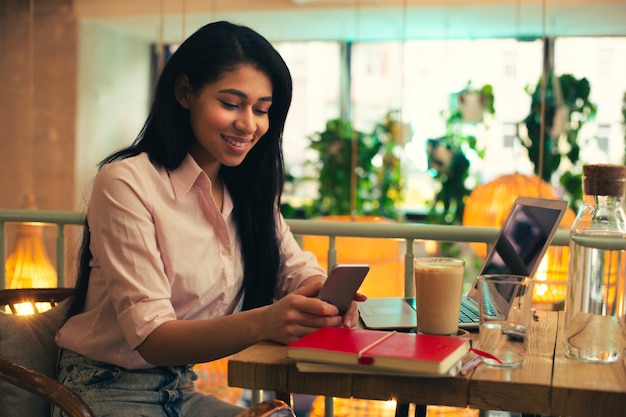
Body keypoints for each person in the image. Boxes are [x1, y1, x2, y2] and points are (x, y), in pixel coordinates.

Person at [53, 21, 365, 417]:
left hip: (180, 389)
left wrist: (321, 296)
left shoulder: (248, 192)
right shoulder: (125, 183)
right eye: (231, 104)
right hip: (103, 390)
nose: (249, 124)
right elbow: (152, 337)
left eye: (262, 110)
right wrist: (266, 322)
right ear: (185, 92)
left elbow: (294, 270)